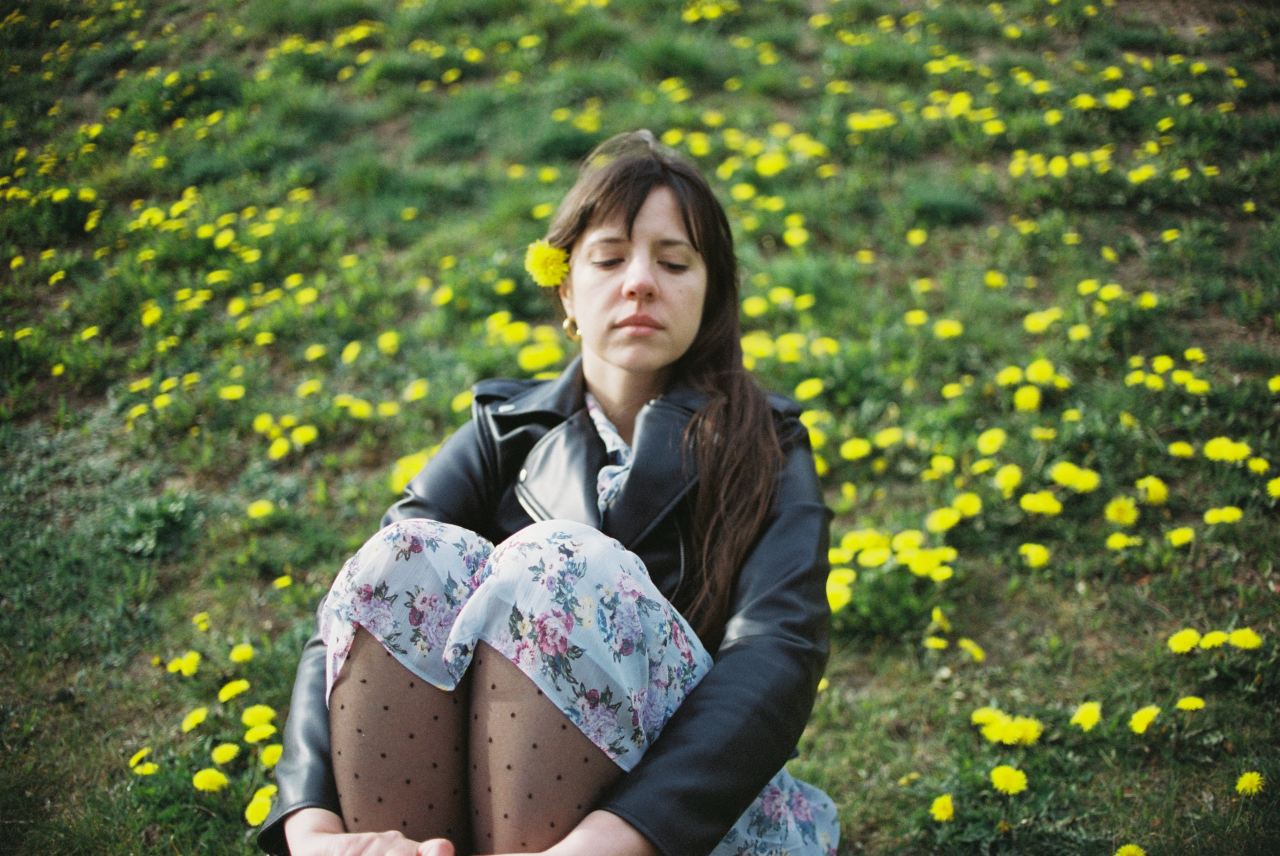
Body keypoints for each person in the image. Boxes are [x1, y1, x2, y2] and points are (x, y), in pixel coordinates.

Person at [258, 130, 840, 856]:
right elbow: (356, 612)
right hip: (492, 800)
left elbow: (776, 654)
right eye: (608, 258)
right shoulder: (504, 430)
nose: (639, 282)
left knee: (557, 561)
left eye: (673, 262)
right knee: (402, 555)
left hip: (678, 821)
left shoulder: (770, 443)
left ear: (710, 291)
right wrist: (311, 827)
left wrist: (610, 841)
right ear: (567, 287)